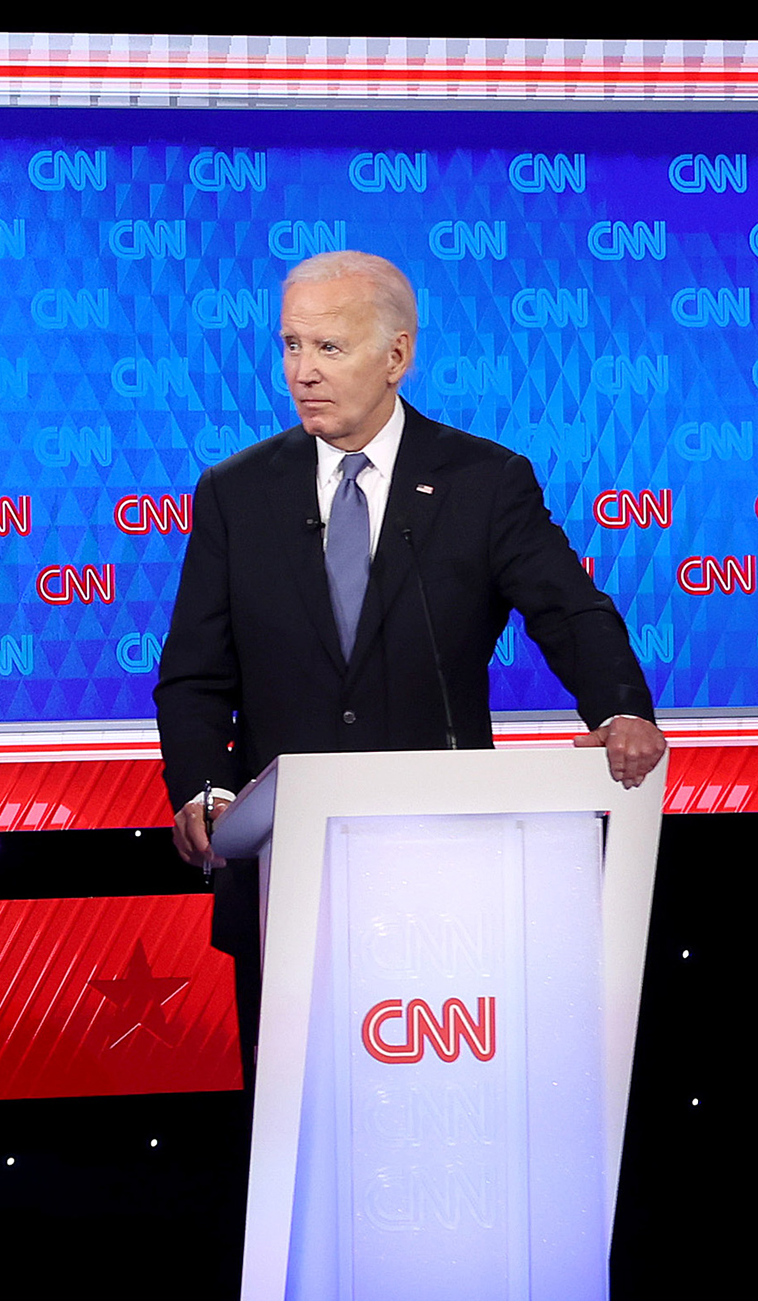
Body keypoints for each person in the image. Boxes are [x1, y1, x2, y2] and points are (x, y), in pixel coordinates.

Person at [154, 250, 664, 1052]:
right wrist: (203, 790)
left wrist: (622, 708)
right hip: (287, 879)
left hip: (443, 871)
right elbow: (194, 676)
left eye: (329, 348)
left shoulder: (483, 481)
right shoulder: (235, 492)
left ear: (397, 356)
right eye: (291, 346)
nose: (303, 372)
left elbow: (571, 613)